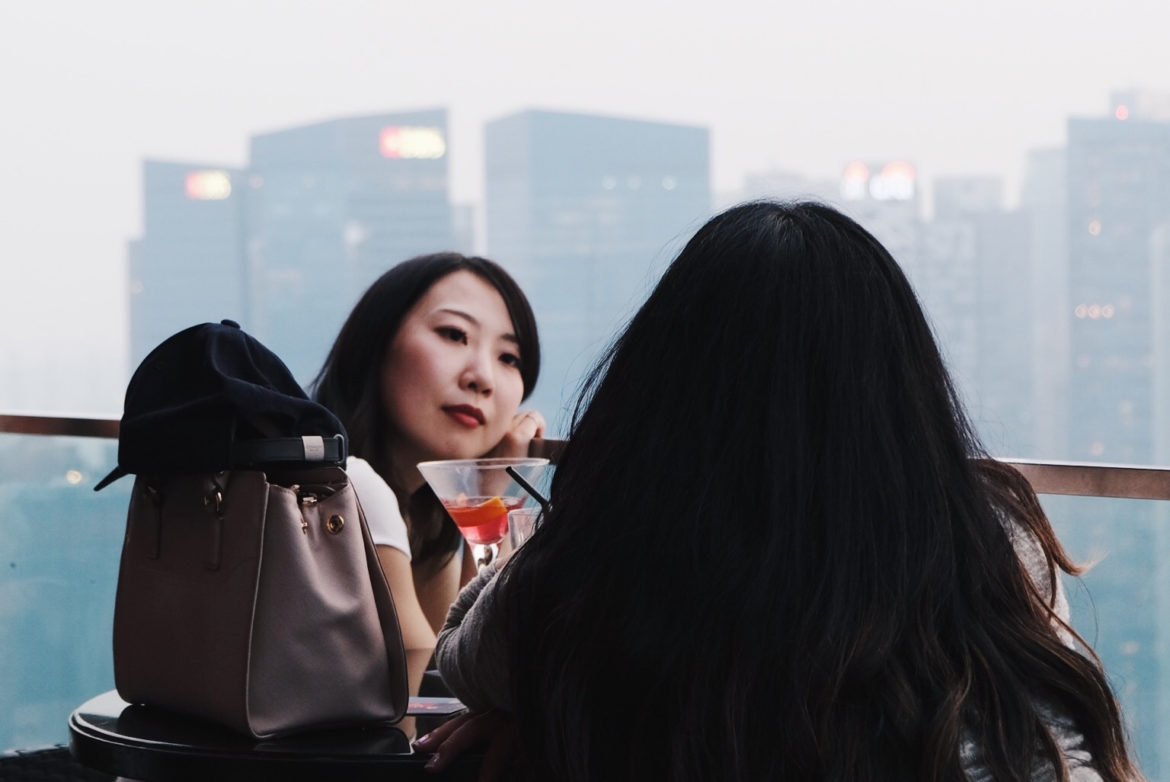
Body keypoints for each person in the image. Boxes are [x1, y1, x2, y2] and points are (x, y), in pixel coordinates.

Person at [422, 202, 1141, 781]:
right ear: (901, 390)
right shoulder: (981, 532)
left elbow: (464, 655)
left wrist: (582, 512)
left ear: (660, 385)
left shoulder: (610, 552)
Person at [310, 252, 544, 655]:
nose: (482, 378)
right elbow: (458, 680)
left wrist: (486, 493)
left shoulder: (426, 524)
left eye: (509, 358)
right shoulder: (349, 489)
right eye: (454, 334)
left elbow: (457, 666)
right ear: (376, 342)